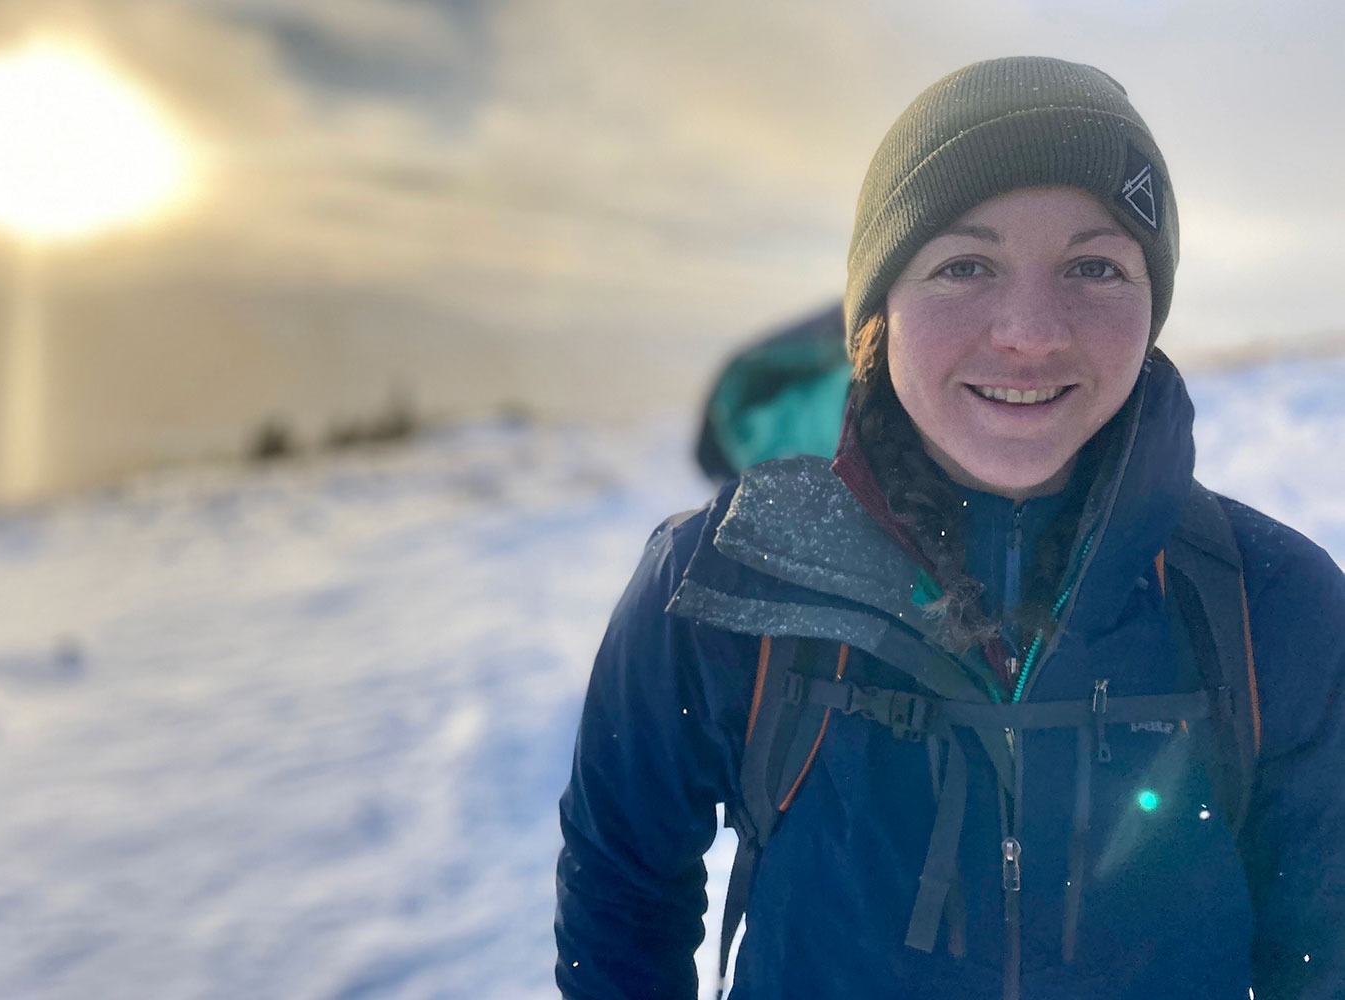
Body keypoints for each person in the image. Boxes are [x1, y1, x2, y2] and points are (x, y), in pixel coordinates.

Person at [554, 56, 1345, 999]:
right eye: (964, 265)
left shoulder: (1271, 605)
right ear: (878, 312)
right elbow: (622, 892)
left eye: (1093, 266)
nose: (1029, 331)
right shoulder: (728, 575)